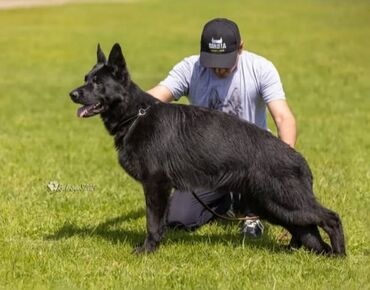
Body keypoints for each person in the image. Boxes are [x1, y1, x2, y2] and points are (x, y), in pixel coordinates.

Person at [147, 18, 296, 238]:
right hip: (205, 163)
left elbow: (284, 118)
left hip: (252, 162)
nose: (219, 69)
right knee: (179, 218)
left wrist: (284, 168)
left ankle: (252, 215)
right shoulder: (190, 68)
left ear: (241, 47)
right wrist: (122, 102)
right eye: (212, 61)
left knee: (266, 207)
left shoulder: (261, 68)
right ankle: (224, 200)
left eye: (225, 62)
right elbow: (153, 99)